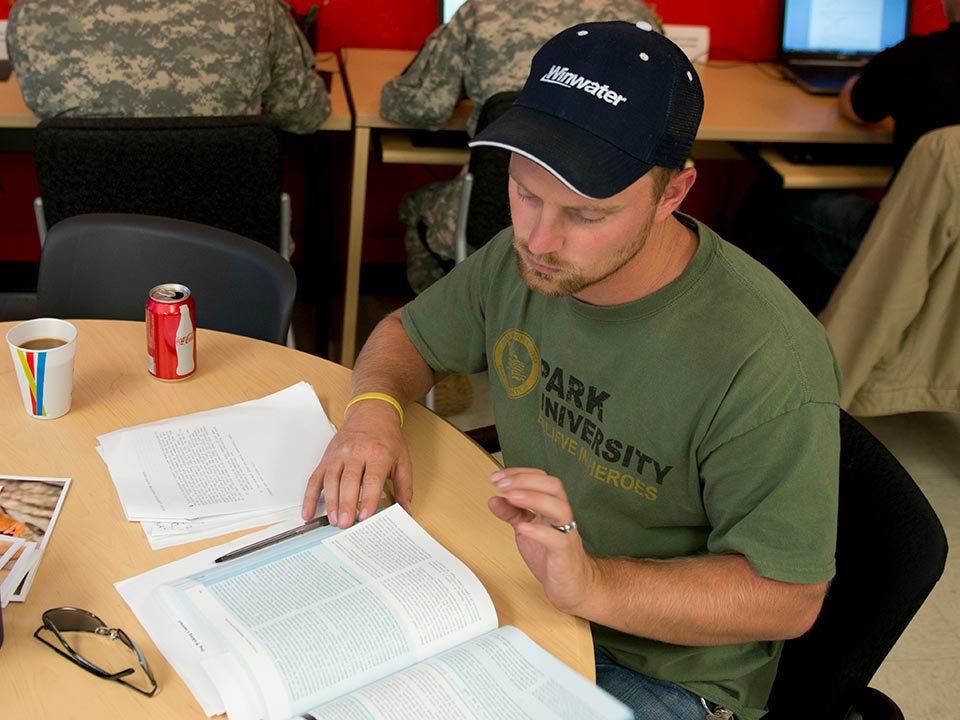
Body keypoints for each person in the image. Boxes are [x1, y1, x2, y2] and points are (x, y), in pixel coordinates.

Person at [304, 21, 842, 720]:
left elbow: (788, 598)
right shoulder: (520, 259)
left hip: (658, 671)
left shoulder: (767, 362)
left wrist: (591, 587)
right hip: (519, 594)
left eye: (587, 215)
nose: (539, 239)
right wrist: (372, 410)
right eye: (526, 193)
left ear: (674, 193)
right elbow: (407, 335)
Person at [379, 0, 661, 293]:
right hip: (608, 221)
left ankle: (446, 325)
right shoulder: (638, 17)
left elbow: (422, 108)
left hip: (504, 209)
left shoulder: (481, 10)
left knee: (415, 206)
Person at [737, 0, 960, 311]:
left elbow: (854, 107)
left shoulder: (915, 59)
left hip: (904, 250)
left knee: (768, 194)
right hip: (951, 271)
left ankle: (760, 317)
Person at [6, 0, 331, 134]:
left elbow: (40, 104)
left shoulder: (31, 14)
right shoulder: (253, 7)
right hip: (230, 252)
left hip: (91, 256)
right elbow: (303, 114)